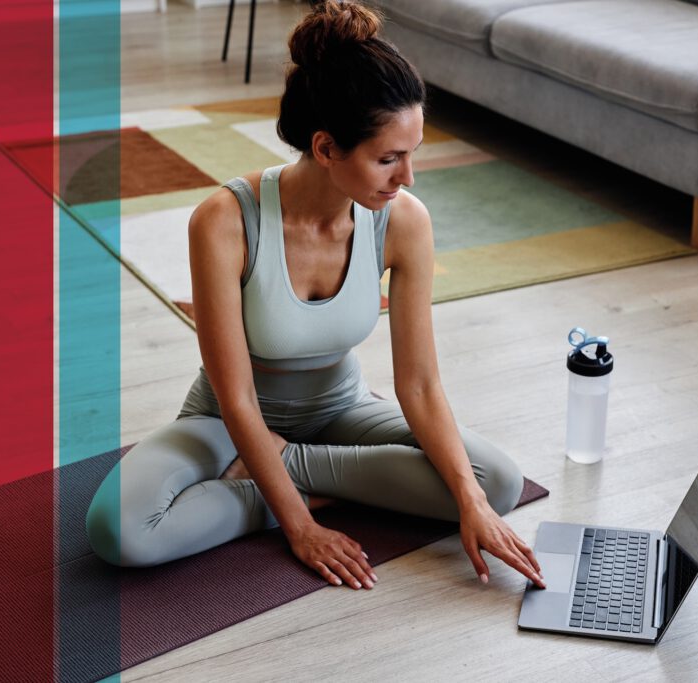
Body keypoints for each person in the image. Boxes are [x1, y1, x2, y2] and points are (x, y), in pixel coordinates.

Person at [86, 0, 545, 592]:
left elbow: (420, 385)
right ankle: (299, 490)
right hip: (228, 424)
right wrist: (298, 526)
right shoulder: (224, 221)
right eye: (389, 159)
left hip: (343, 411)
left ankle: (281, 475)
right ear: (327, 148)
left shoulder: (403, 222)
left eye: (414, 152)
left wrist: (472, 502)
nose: (408, 177)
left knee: (496, 483)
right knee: (119, 531)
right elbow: (236, 396)